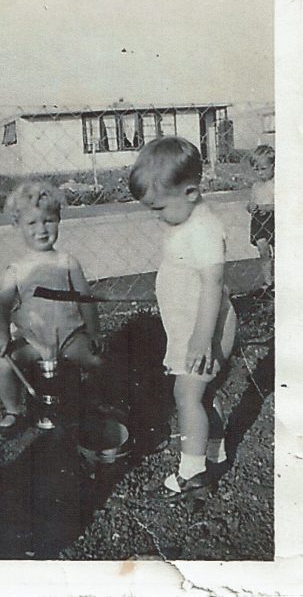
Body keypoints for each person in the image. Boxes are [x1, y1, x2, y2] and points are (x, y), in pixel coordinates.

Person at [129, 136, 237, 498]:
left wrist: (201, 338)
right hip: (190, 328)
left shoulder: (204, 230)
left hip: (203, 329)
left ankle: (192, 473)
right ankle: (213, 450)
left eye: (159, 208)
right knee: (202, 395)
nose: (157, 218)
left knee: (186, 395)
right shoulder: (185, 222)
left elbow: (212, 284)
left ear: (190, 192)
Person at [0, 180, 102, 431]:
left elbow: (85, 299)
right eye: (32, 223)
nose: (41, 229)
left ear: (59, 219)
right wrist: (2, 332)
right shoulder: (17, 269)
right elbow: (3, 304)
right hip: (33, 340)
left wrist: (94, 331)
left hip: (69, 337)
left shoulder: (67, 262)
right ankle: (13, 409)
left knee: (98, 361)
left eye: (48, 220)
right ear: (17, 225)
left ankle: (98, 401)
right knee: (3, 363)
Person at [247, 145, 275, 290]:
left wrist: (268, 207)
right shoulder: (256, 186)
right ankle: (268, 281)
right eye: (256, 169)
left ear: (273, 165)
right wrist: (251, 207)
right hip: (259, 220)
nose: (259, 173)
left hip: (273, 219)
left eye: (263, 169)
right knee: (263, 250)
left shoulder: (276, 183)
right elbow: (250, 203)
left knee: (278, 249)